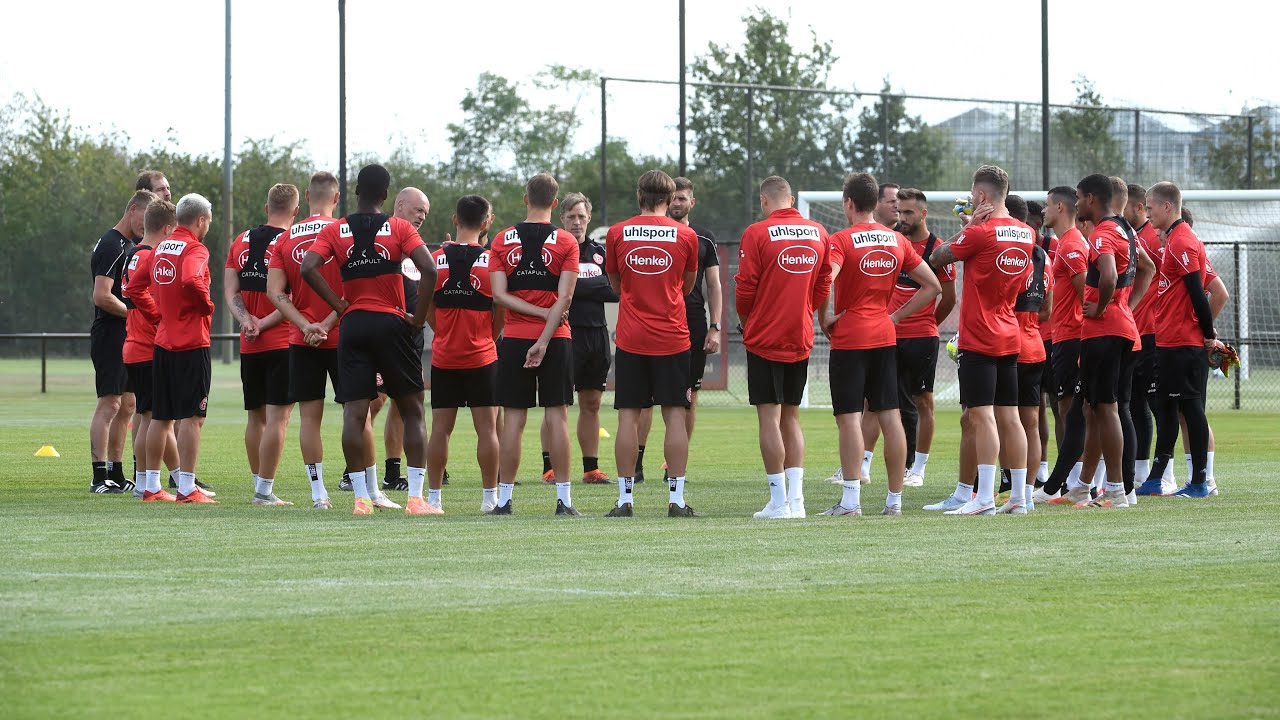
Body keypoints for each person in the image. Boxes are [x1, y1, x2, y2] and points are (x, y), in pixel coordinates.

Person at [302, 164, 436, 515]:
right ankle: (416, 499)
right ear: (386, 195)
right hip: (392, 323)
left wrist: (339, 305)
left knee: (355, 411)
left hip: (354, 325)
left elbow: (308, 267)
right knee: (412, 409)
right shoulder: (399, 227)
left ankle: (361, 499)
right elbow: (431, 270)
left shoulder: (338, 228)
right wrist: (418, 319)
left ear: (356, 190)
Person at [818, 173, 940, 517]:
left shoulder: (841, 240)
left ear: (848, 203)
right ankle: (894, 503)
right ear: (875, 204)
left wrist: (823, 315)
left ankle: (851, 503)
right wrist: (895, 318)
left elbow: (828, 277)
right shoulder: (897, 241)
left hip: (850, 338)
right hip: (885, 337)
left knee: (849, 420)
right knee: (891, 417)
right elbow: (933, 287)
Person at [923, 165, 1031, 516]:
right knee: (1010, 417)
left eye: (972, 195)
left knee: (982, 415)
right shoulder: (1026, 233)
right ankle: (1018, 498)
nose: (970, 200)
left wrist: (968, 228)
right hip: (1010, 332)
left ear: (981, 196)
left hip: (980, 334)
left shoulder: (980, 232)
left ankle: (983, 498)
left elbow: (937, 258)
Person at [604, 169, 701, 517]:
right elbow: (687, 287)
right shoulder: (687, 235)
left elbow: (616, 285)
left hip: (631, 338)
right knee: (675, 414)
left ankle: (625, 500)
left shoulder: (617, 233)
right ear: (670, 195)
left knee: (628, 417)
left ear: (638, 195)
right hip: (674, 337)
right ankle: (675, 501)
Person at [735, 176, 831, 519]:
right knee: (792, 417)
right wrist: (805, 310)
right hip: (800, 334)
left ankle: (778, 503)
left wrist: (749, 319)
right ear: (790, 199)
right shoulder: (819, 231)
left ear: (764, 201)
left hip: (765, 336)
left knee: (769, 419)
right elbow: (823, 284)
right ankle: (798, 502)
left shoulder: (757, 232)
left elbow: (745, 288)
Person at [487, 173, 581, 515]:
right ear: (556, 204)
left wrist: (536, 318)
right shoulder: (567, 242)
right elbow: (566, 297)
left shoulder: (501, 240)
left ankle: (505, 500)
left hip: (513, 340)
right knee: (557, 418)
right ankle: (564, 501)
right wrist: (546, 330)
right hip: (556, 339)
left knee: (513, 420)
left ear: (525, 198)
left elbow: (499, 296)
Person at [853, 188, 955, 489]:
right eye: (900, 211)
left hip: (921, 338)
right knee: (873, 401)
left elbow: (947, 297)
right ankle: (863, 464)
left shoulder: (937, 248)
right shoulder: (892, 241)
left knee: (923, 401)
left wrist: (926, 324)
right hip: (886, 337)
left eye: (909, 212)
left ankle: (919, 468)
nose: (902, 217)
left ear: (923, 214)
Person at [1070, 175, 1155, 508]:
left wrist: (1104, 306)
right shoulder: (1127, 230)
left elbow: (1107, 275)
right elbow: (1148, 268)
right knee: (1096, 409)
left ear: (1091, 198)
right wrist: (1125, 307)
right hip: (1122, 330)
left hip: (1104, 332)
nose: (1077, 204)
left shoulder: (1103, 233)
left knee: (1106, 410)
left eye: (1079, 197)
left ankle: (1118, 490)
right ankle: (1082, 486)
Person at [635, 177, 723, 484]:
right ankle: (637, 461)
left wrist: (715, 327)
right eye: (674, 197)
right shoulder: (646, 234)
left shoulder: (703, 238)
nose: (677, 203)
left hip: (693, 324)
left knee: (688, 396)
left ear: (691, 202)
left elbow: (713, 285)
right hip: (653, 323)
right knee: (644, 399)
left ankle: (672, 464)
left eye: (683, 198)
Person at [1134, 183, 1219, 498]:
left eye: (1151, 206)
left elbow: (1199, 293)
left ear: (1167, 207)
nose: (1148, 212)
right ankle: (1156, 479)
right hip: (1169, 340)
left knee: (1191, 407)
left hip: (1183, 342)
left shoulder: (1182, 240)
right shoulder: (1174, 241)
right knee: (1167, 406)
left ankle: (1200, 482)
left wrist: (1208, 335)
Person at [267, 171, 343, 509]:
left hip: (301, 340)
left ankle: (318, 493)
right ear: (336, 199)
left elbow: (275, 292)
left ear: (307, 199)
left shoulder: (286, 237)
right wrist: (325, 323)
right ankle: (367, 491)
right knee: (359, 414)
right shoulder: (345, 232)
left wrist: (305, 325)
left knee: (309, 418)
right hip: (341, 336)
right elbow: (354, 290)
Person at [426, 195, 503, 512]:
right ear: (487, 223)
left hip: (444, 357)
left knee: (440, 429)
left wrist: (442, 331)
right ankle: (489, 499)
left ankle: (434, 498)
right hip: (483, 356)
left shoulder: (434, 259)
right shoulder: (492, 262)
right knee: (487, 429)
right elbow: (501, 311)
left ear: (454, 220)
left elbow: (427, 308)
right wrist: (488, 337)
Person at [225, 184, 298, 505]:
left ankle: (259, 484)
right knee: (279, 418)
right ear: (295, 211)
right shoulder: (293, 243)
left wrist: (247, 321)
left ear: (266, 206)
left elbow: (230, 291)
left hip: (249, 343)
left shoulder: (240, 240)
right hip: (281, 342)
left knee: (256, 418)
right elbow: (292, 297)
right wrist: (264, 323)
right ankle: (264, 491)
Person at [143, 193, 217, 504]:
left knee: (161, 417)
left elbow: (133, 286)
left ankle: (150, 486)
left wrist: (157, 314)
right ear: (200, 220)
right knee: (193, 418)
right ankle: (187, 487)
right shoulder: (195, 248)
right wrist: (207, 305)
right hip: (191, 343)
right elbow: (190, 279)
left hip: (162, 342)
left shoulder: (160, 248)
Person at [540, 192, 617, 485]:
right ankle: (550, 467)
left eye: (581, 217)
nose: (576, 222)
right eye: (570, 217)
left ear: (589, 218)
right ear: (561, 219)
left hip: (596, 334)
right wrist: (593, 285)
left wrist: (573, 287)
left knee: (592, 403)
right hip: (563, 334)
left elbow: (615, 290)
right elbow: (551, 290)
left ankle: (591, 469)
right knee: (556, 404)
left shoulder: (600, 253)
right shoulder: (552, 252)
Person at [88, 189, 151, 493]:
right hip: (111, 333)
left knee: (128, 403)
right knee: (109, 403)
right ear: (133, 210)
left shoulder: (130, 245)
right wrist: (134, 313)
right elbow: (101, 296)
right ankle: (98, 476)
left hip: (127, 334)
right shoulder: (112, 244)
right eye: (145, 218)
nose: (146, 225)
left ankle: (116, 471)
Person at [1031, 187, 1089, 504]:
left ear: (1060, 207)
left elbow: (1086, 296)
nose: (1044, 212)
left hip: (1071, 338)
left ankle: (1070, 482)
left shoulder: (1070, 245)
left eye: (1048, 205)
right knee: (1068, 409)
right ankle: (1070, 481)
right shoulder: (1067, 243)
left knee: (1072, 411)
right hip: (1064, 337)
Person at [121, 198, 181, 501]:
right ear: (168, 229)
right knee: (155, 419)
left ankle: (147, 482)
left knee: (147, 418)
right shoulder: (150, 257)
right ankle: (150, 486)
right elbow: (142, 296)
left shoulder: (133, 254)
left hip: (133, 345)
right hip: (147, 347)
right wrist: (161, 317)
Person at [380, 187, 432, 491]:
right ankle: (354, 470)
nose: (422, 216)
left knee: (404, 404)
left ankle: (392, 473)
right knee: (373, 401)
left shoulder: (417, 244)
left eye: (425, 212)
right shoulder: (382, 237)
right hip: (385, 332)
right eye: (418, 210)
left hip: (412, 336)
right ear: (399, 205)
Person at [1008, 196, 1051, 513]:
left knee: (1002, 421)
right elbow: (1047, 309)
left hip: (1009, 344)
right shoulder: (1044, 257)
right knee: (1032, 424)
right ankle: (1026, 495)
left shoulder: (1013, 253)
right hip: (1036, 342)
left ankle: (1010, 492)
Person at [1027, 199, 1056, 487]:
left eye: (1036, 225)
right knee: (1034, 407)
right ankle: (1038, 470)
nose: (1033, 230)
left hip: (1051, 337)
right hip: (1031, 336)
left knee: (1059, 407)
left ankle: (1059, 471)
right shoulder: (1018, 251)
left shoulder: (1055, 248)